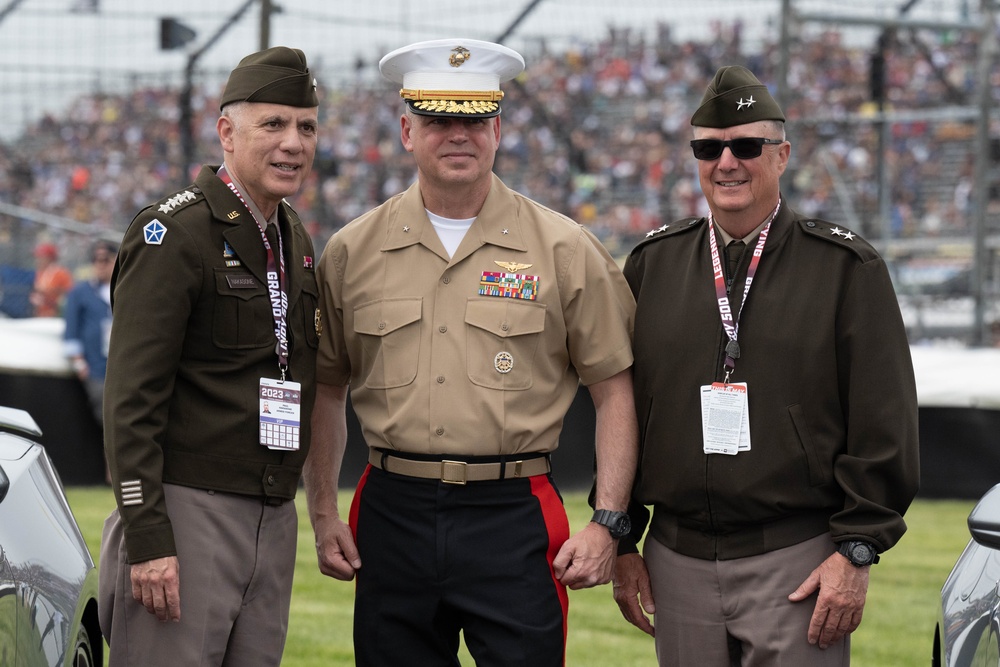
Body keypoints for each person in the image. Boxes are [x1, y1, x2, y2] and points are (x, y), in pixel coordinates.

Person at [304, 38, 638, 666]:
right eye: (437, 119)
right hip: (391, 509)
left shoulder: (565, 249)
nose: (457, 134)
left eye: (474, 118)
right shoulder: (352, 252)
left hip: (513, 511)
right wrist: (323, 512)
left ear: (497, 128)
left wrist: (609, 520)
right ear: (407, 129)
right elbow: (326, 388)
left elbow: (614, 389)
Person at [613, 65, 920, 666]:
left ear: (781, 155)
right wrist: (622, 532)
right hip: (677, 562)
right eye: (708, 148)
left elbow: (885, 418)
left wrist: (857, 550)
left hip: (797, 561)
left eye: (746, 146)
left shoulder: (842, 268)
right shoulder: (653, 265)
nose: (726, 162)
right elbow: (622, 407)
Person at [98, 46, 321, 666]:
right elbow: (131, 400)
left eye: (306, 126)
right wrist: (147, 537)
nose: (293, 143)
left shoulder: (293, 235)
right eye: (272, 124)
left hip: (271, 516)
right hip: (187, 511)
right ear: (227, 132)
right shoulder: (174, 234)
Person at [63, 239, 117, 428]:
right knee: (106, 417)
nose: (100, 264)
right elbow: (71, 329)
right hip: (96, 367)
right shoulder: (81, 292)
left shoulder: (125, 290)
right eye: (96, 259)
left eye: (105, 259)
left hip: (123, 367)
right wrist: (79, 363)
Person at [30, 241, 73, 317]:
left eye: (41, 257)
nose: (38, 260)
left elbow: (69, 292)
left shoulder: (60, 273)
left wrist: (48, 291)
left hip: (56, 314)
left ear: (50, 258)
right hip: (40, 314)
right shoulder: (40, 272)